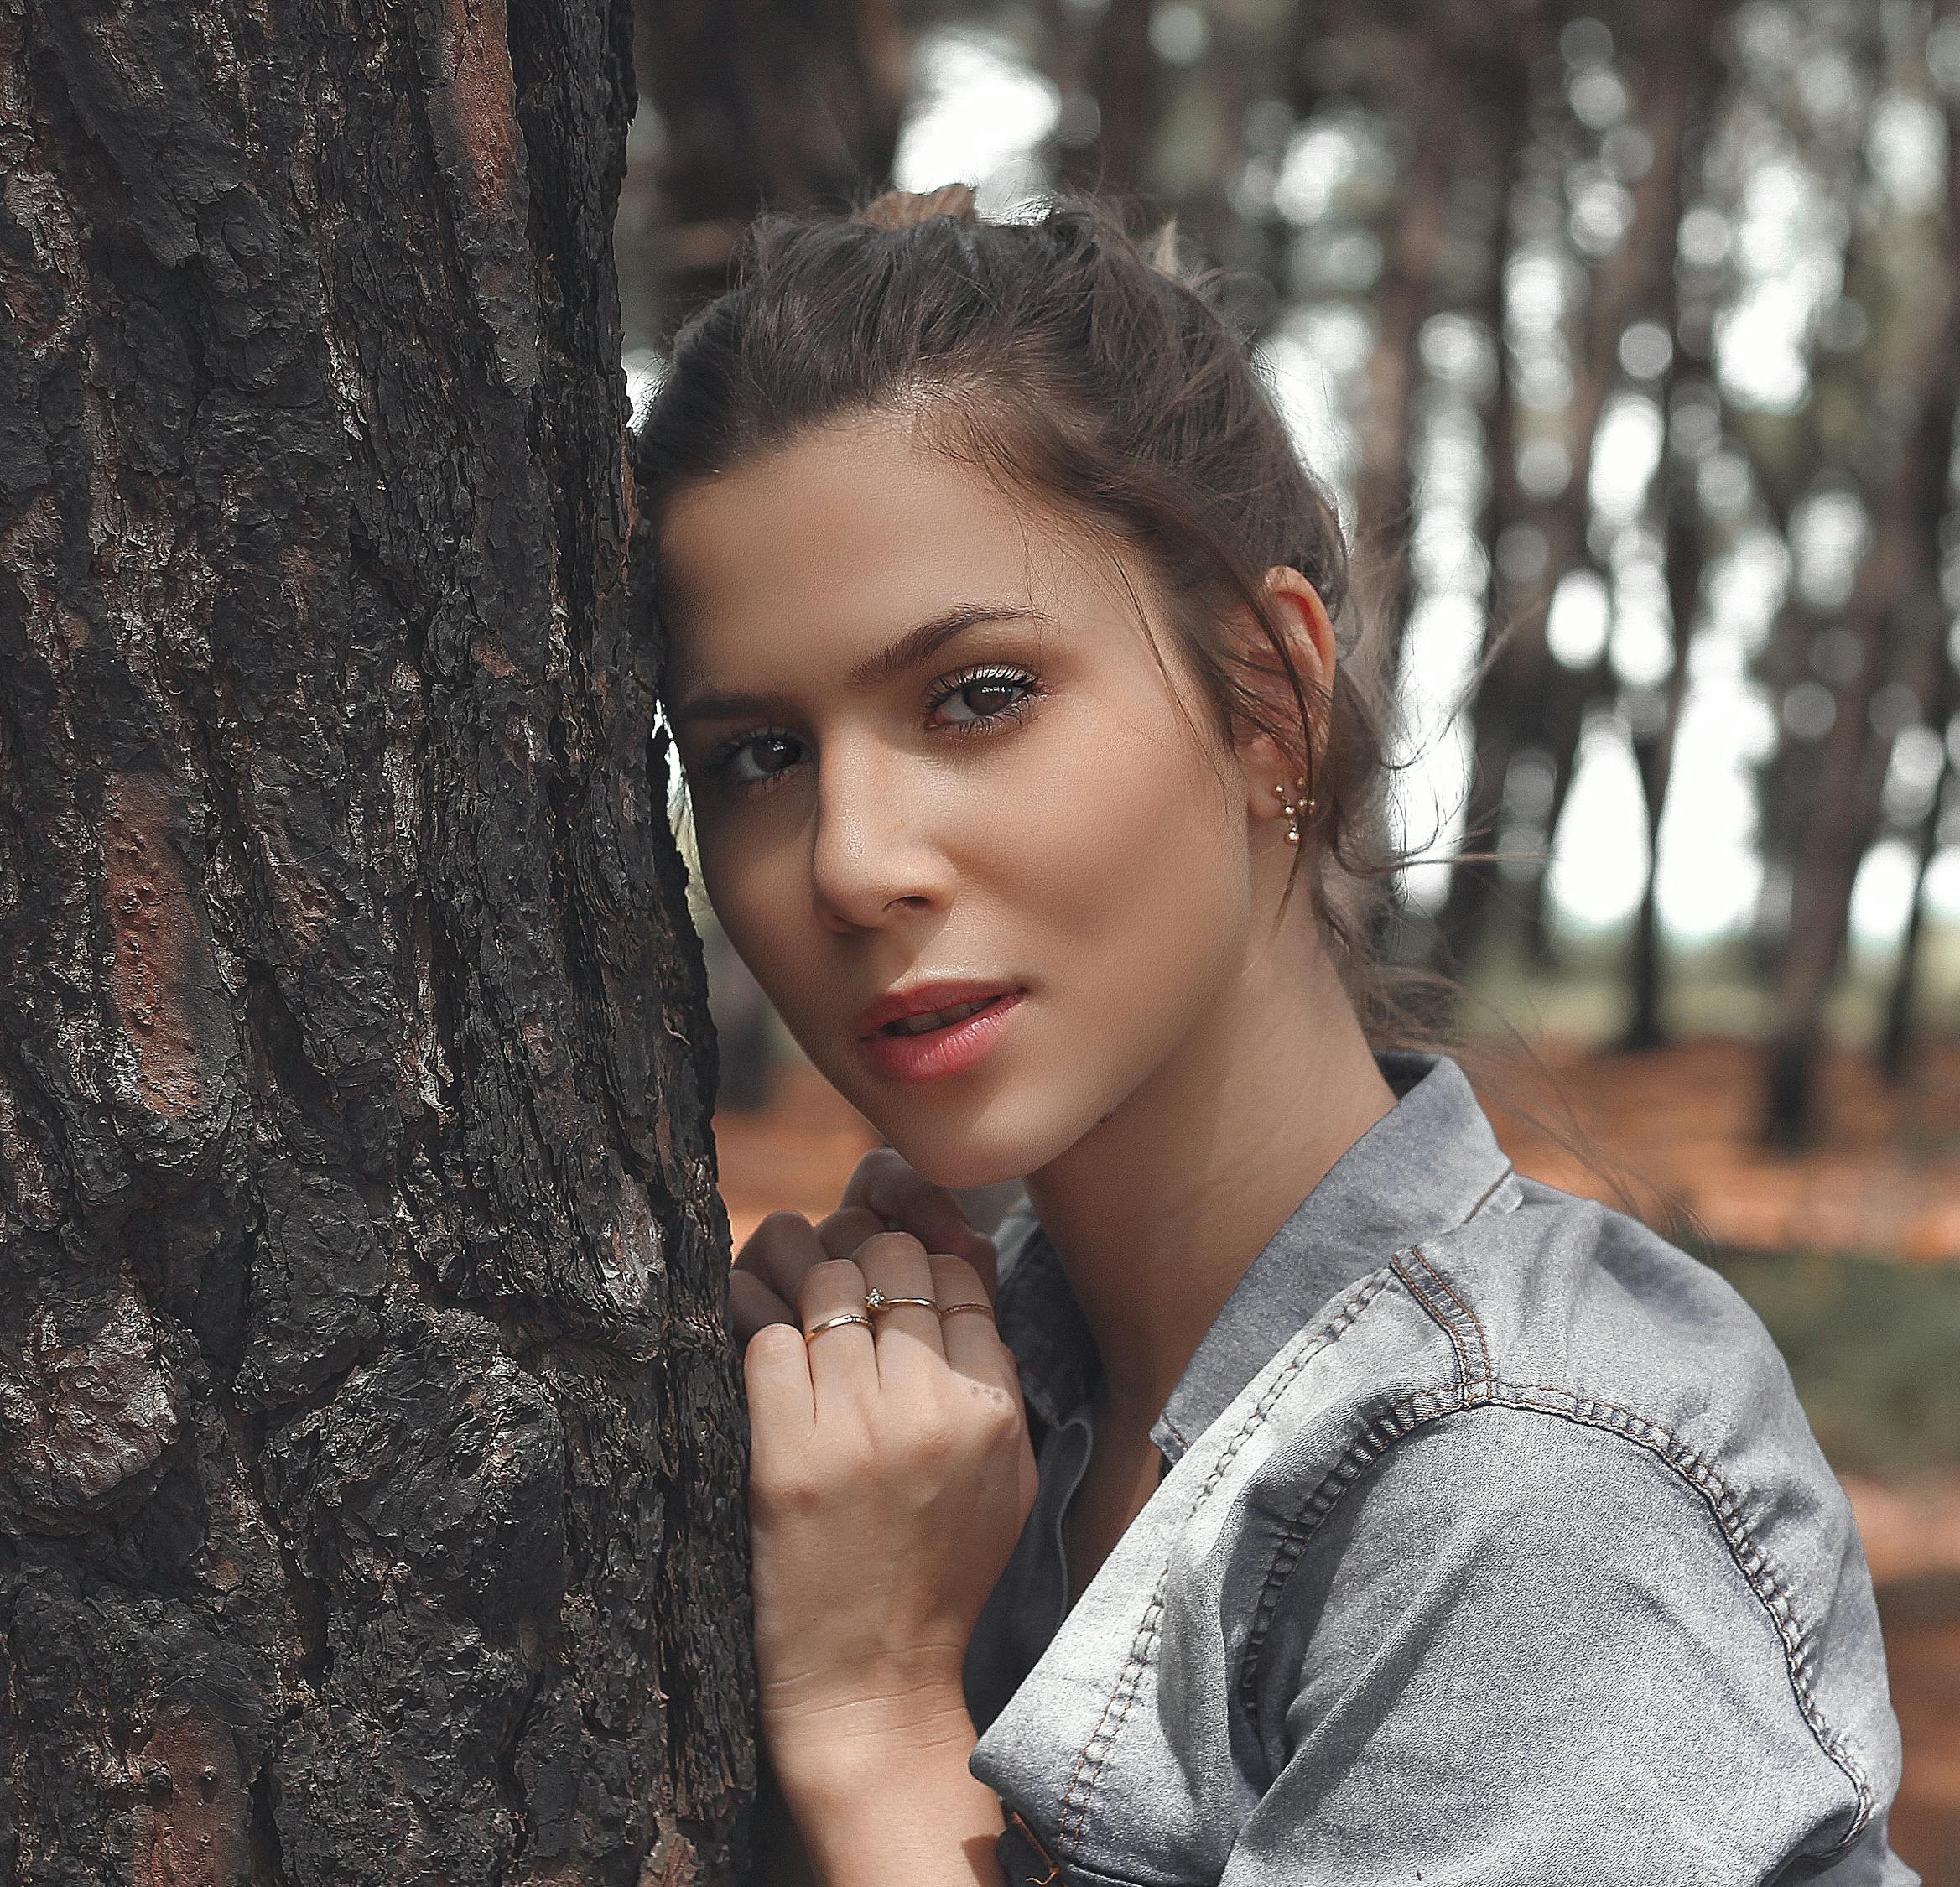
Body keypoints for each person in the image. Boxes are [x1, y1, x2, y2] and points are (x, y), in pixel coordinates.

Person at [636, 183, 1916, 1886]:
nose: (852, 865)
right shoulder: (947, 1429)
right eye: (758, 756)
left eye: (975, 696)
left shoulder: (1529, 1490)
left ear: (1266, 700)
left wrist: (873, 1725)